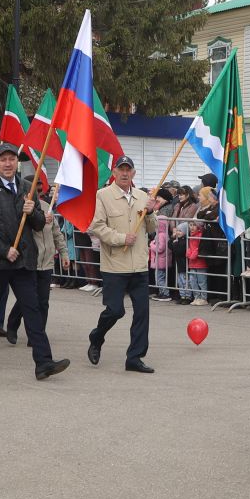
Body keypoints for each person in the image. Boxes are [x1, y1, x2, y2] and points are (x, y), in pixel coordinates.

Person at [0, 145, 64, 380]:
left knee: (33, 310)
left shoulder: (27, 188)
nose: (8, 164)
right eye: (3, 160)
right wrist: (3, 250)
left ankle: (43, 362)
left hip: (23, 262)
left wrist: (33, 212)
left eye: (12, 159)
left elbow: (39, 225)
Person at [87, 155, 158, 372]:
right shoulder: (103, 195)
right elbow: (97, 226)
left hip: (138, 265)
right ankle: (97, 337)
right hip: (115, 265)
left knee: (142, 313)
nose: (125, 173)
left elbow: (152, 229)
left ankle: (134, 357)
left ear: (134, 173)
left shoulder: (142, 196)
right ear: (114, 173)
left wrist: (151, 211)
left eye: (129, 169)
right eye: (121, 169)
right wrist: (120, 238)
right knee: (115, 310)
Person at [5, 187, 60, 348]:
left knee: (43, 301)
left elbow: (56, 233)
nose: (36, 193)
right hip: (30, 260)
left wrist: (63, 253)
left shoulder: (45, 206)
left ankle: (37, 335)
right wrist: (37, 218)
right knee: (28, 299)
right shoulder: (17, 208)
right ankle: (12, 325)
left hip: (47, 261)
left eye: (38, 190)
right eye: (33, 190)